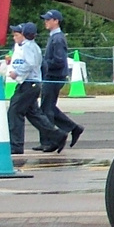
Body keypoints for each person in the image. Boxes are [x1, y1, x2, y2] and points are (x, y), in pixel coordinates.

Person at [0, 22, 56, 156]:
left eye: (17, 34)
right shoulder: (24, 47)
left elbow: (30, 64)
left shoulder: (29, 47)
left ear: (24, 34)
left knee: (14, 111)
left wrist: (17, 73)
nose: (14, 37)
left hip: (29, 83)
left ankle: (16, 144)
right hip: (28, 83)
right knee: (34, 114)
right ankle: (56, 136)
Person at [36, 10, 82, 151]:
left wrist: (44, 64)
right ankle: (72, 128)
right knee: (48, 107)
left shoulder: (57, 39)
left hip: (54, 77)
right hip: (52, 76)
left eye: (48, 19)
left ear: (56, 21)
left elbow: (59, 60)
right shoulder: (54, 37)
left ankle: (50, 140)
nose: (46, 22)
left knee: (46, 109)